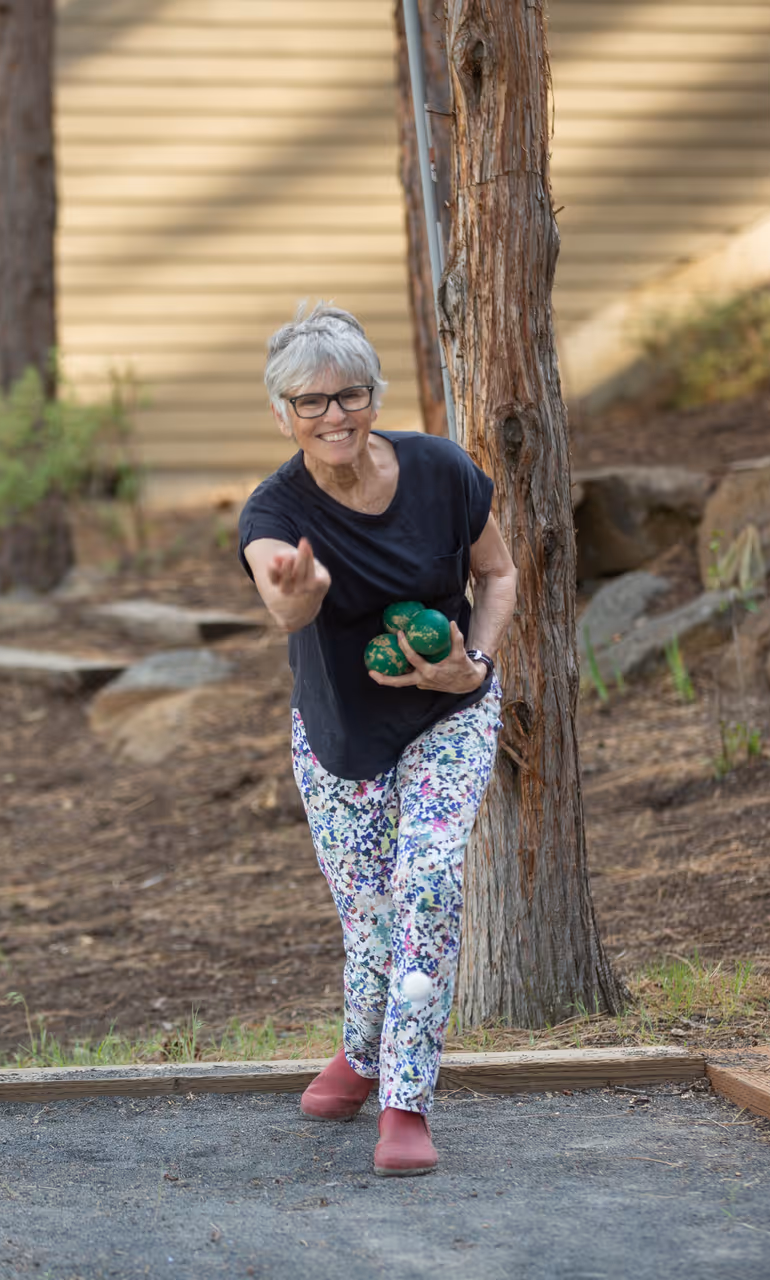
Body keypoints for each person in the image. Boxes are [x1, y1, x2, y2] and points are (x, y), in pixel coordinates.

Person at [238, 303, 519, 1176]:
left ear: (374, 395)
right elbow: (283, 604)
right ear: (282, 413)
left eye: (348, 394)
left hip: (450, 714)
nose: (333, 415)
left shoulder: (438, 468)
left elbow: (498, 573)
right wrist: (300, 587)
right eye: (309, 401)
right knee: (370, 921)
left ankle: (406, 1100)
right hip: (342, 741)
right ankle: (360, 1057)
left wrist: (471, 663)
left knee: (427, 883)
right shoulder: (272, 512)